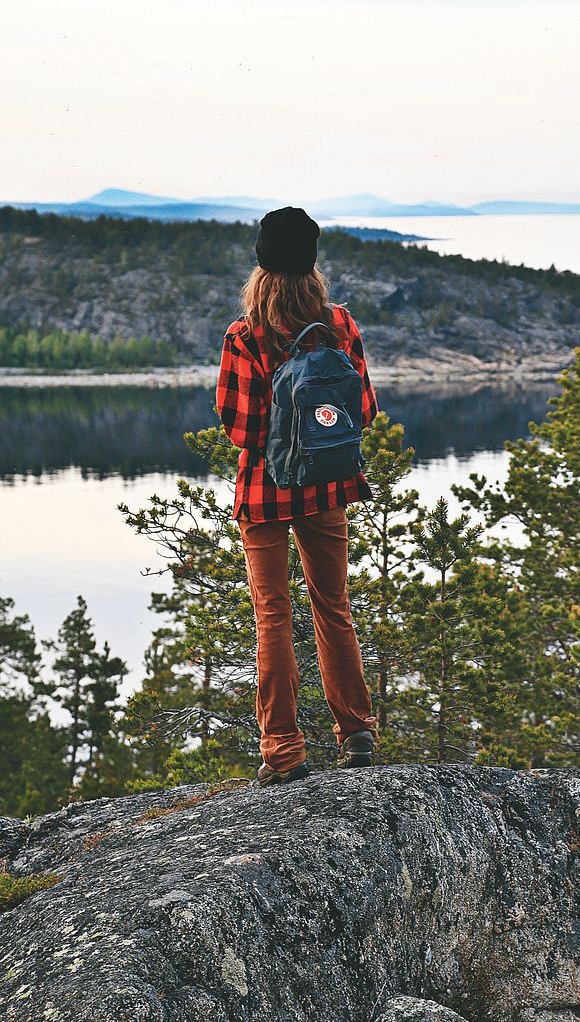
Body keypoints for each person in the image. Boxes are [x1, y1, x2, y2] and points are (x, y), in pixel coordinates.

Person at [215, 206, 379, 788]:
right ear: (313, 267)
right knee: (333, 606)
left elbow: (240, 427)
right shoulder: (339, 325)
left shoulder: (245, 334)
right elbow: (363, 411)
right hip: (328, 486)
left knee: (272, 616)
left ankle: (283, 750)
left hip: (264, 491)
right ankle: (356, 734)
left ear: (260, 269)